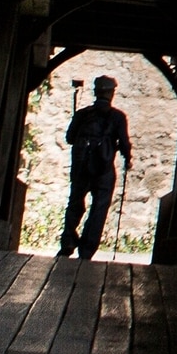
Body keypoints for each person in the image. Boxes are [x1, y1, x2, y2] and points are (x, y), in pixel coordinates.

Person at [58, 74, 134, 260]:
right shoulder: (117, 117)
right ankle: (86, 250)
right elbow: (124, 143)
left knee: (75, 202)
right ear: (111, 93)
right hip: (104, 168)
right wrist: (127, 158)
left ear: (96, 91)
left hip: (82, 164)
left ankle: (68, 240)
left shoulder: (83, 114)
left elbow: (69, 138)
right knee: (99, 208)